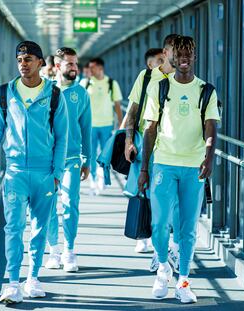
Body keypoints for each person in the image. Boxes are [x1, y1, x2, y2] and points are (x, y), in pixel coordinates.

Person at [0, 41, 68, 304]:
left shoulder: (54, 95)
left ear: (41, 63)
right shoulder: (5, 93)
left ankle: (32, 278)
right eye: (20, 59)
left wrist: (56, 171)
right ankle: (11, 283)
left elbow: (63, 136)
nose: (23, 63)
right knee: (14, 228)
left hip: (44, 172)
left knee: (40, 228)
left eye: (29, 59)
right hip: (16, 171)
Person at [138, 36, 220, 303]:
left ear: (194, 56)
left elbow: (210, 125)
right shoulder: (159, 88)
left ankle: (183, 282)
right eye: (179, 53)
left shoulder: (206, 90)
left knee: (187, 229)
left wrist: (208, 156)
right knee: (159, 225)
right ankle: (163, 267)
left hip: (193, 167)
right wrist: (143, 169)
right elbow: (149, 129)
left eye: (188, 53)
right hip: (164, 164)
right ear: (170, 57)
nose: (183, 57)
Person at [122, 35, 181, 274]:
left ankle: (174, 250)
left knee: (175, 202)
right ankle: (158, 250)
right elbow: (134, 111)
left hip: (177, 151)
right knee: (153, 200)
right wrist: (128, 140)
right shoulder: (146, 77)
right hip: (149, 148)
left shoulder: (184, 79)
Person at [45, 47, 92, 272]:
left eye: (76, 63)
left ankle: (69, 250)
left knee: (70, 204)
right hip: (47, 158)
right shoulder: (44, 90)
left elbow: (86, 128)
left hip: (72, 157)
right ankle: (53, 250)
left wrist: (88, 160)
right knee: (49, 204)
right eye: (70, 64)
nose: (74, 68)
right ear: (57, 66)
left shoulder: (81, 93)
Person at [80, 57, 123, 194]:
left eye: (92, 67)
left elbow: (117, 105)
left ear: (100, 68)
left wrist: (121, 125)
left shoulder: (111, 83)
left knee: (105, 154)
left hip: (106, 125)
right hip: (89, 125)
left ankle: (103, 178)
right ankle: (92, 178)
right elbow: (79, 105)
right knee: (91, 154)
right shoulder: (85, 83)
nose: (90, 70)